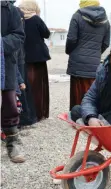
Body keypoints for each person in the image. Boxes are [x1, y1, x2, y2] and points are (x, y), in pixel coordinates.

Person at [66, 0, 111, 110]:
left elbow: (71, 39)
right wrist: (96, 52)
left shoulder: (77, 16)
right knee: (92, 90)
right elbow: (106, 43)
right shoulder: (105, 21)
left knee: (77, 90)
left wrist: (70, 51)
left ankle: (76, 115)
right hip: (94, 62)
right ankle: (91, 114)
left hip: (77, 61)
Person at [1, 0, 26, 163]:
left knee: (10, 106)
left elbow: (18, 36)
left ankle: (12, 143)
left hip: (5, 66)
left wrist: (1, 43)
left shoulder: (10, 10)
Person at [19, 0, 51, 123]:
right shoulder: (36, 19)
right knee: (38, 86)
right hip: (38, 58)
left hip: (24, 57)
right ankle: (39, 112)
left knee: (27, 85)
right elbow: (47, 34)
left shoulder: (19, 19)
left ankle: (29, 112)